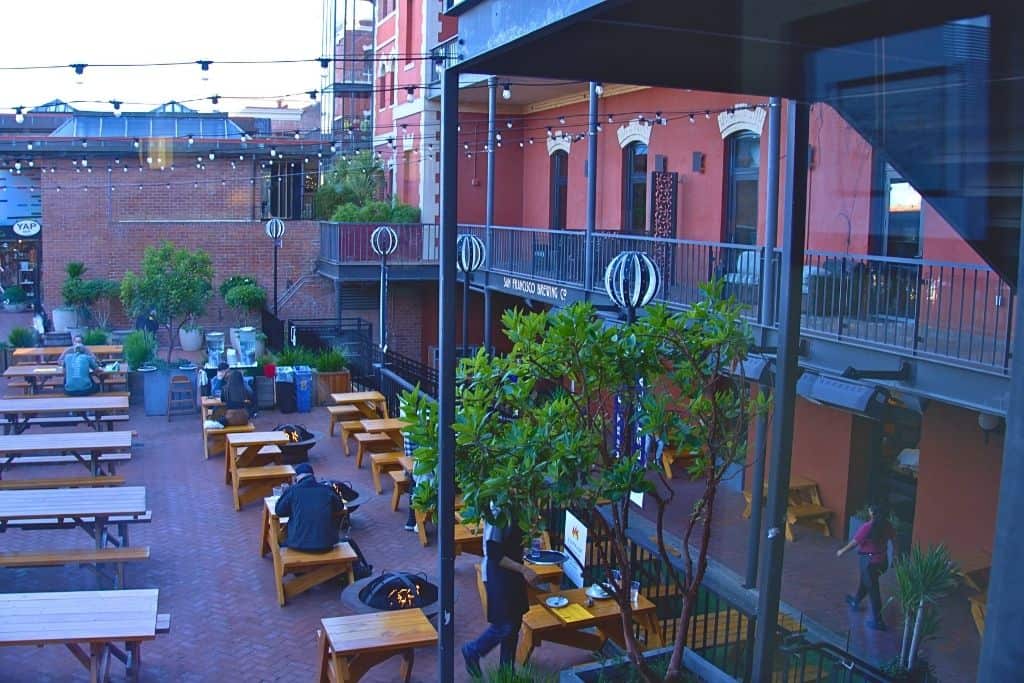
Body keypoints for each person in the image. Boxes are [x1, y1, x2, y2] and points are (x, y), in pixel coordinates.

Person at [462, 517, 539, 676]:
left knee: (515, 623)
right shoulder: (498, 512)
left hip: (513, 574)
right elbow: (494, 553)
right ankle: (472, 650)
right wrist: (524, 570)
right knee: (504, 625)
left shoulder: (517, 507)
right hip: (499, 576)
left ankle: (506, 672)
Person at [836, 503, 895, 630]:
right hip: (882, 561)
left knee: (873, 590)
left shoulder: (868, 527)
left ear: (872, 513)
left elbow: (854, 543)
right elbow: (894, 539)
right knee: (866, 582)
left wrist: (842, 551)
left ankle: (878, 622)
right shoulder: (887, 525)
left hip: (869, 562)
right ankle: (855, 601)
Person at [274, 463, 342, 553]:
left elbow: (279, 511)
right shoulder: (327, 489)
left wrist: (285, 495)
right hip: (326, 545)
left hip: (298, 544)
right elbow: (340, 507)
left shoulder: (293, 490)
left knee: (279, 542)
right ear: (313, 476)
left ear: (297, 478)